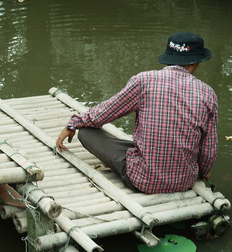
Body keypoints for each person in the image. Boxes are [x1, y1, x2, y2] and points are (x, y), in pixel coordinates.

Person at [55, 32, 218, 194]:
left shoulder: (144, 81)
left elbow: (104, 113)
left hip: (143, 181)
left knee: (86, 132)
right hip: (183, 182)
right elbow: (208, 150)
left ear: (169, 57)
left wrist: (73, 124)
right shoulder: (208, 94)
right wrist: (203, 172)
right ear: (196, 62)